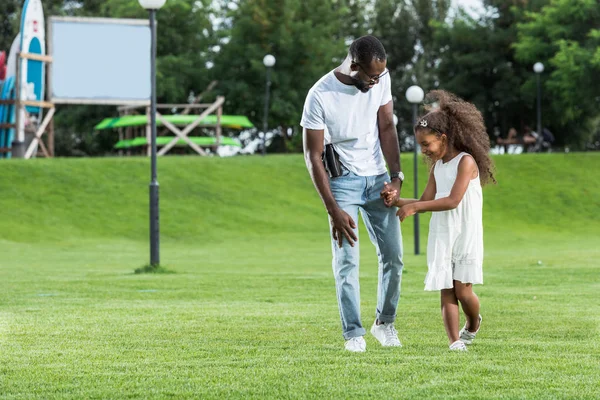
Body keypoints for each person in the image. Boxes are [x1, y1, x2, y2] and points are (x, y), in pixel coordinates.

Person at [301, 35, 404, 352]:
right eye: (371, 76)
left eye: (379, 76)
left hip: (377, 178)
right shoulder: (320, 95)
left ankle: (383, 324)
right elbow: (312, 156)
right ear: (354, 65)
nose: (376, 82)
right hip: (342, 181)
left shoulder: (381, 76)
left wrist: (396, 176)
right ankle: (353, 333)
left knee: (394, 257)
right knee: (346, 261)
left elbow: (387, 126)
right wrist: (332, 209)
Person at [382, 90, 495, 351]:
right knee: (446, 287)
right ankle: (454, 341)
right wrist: (397, 201)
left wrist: (416, 208)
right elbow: (425, 199)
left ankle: (474, 322)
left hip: (464, 232)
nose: (424, 150)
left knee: (463, 290)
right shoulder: (438, 167)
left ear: (443, 138)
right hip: (443, 232)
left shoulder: (465, 162)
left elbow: (453, 200)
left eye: (427, 144)